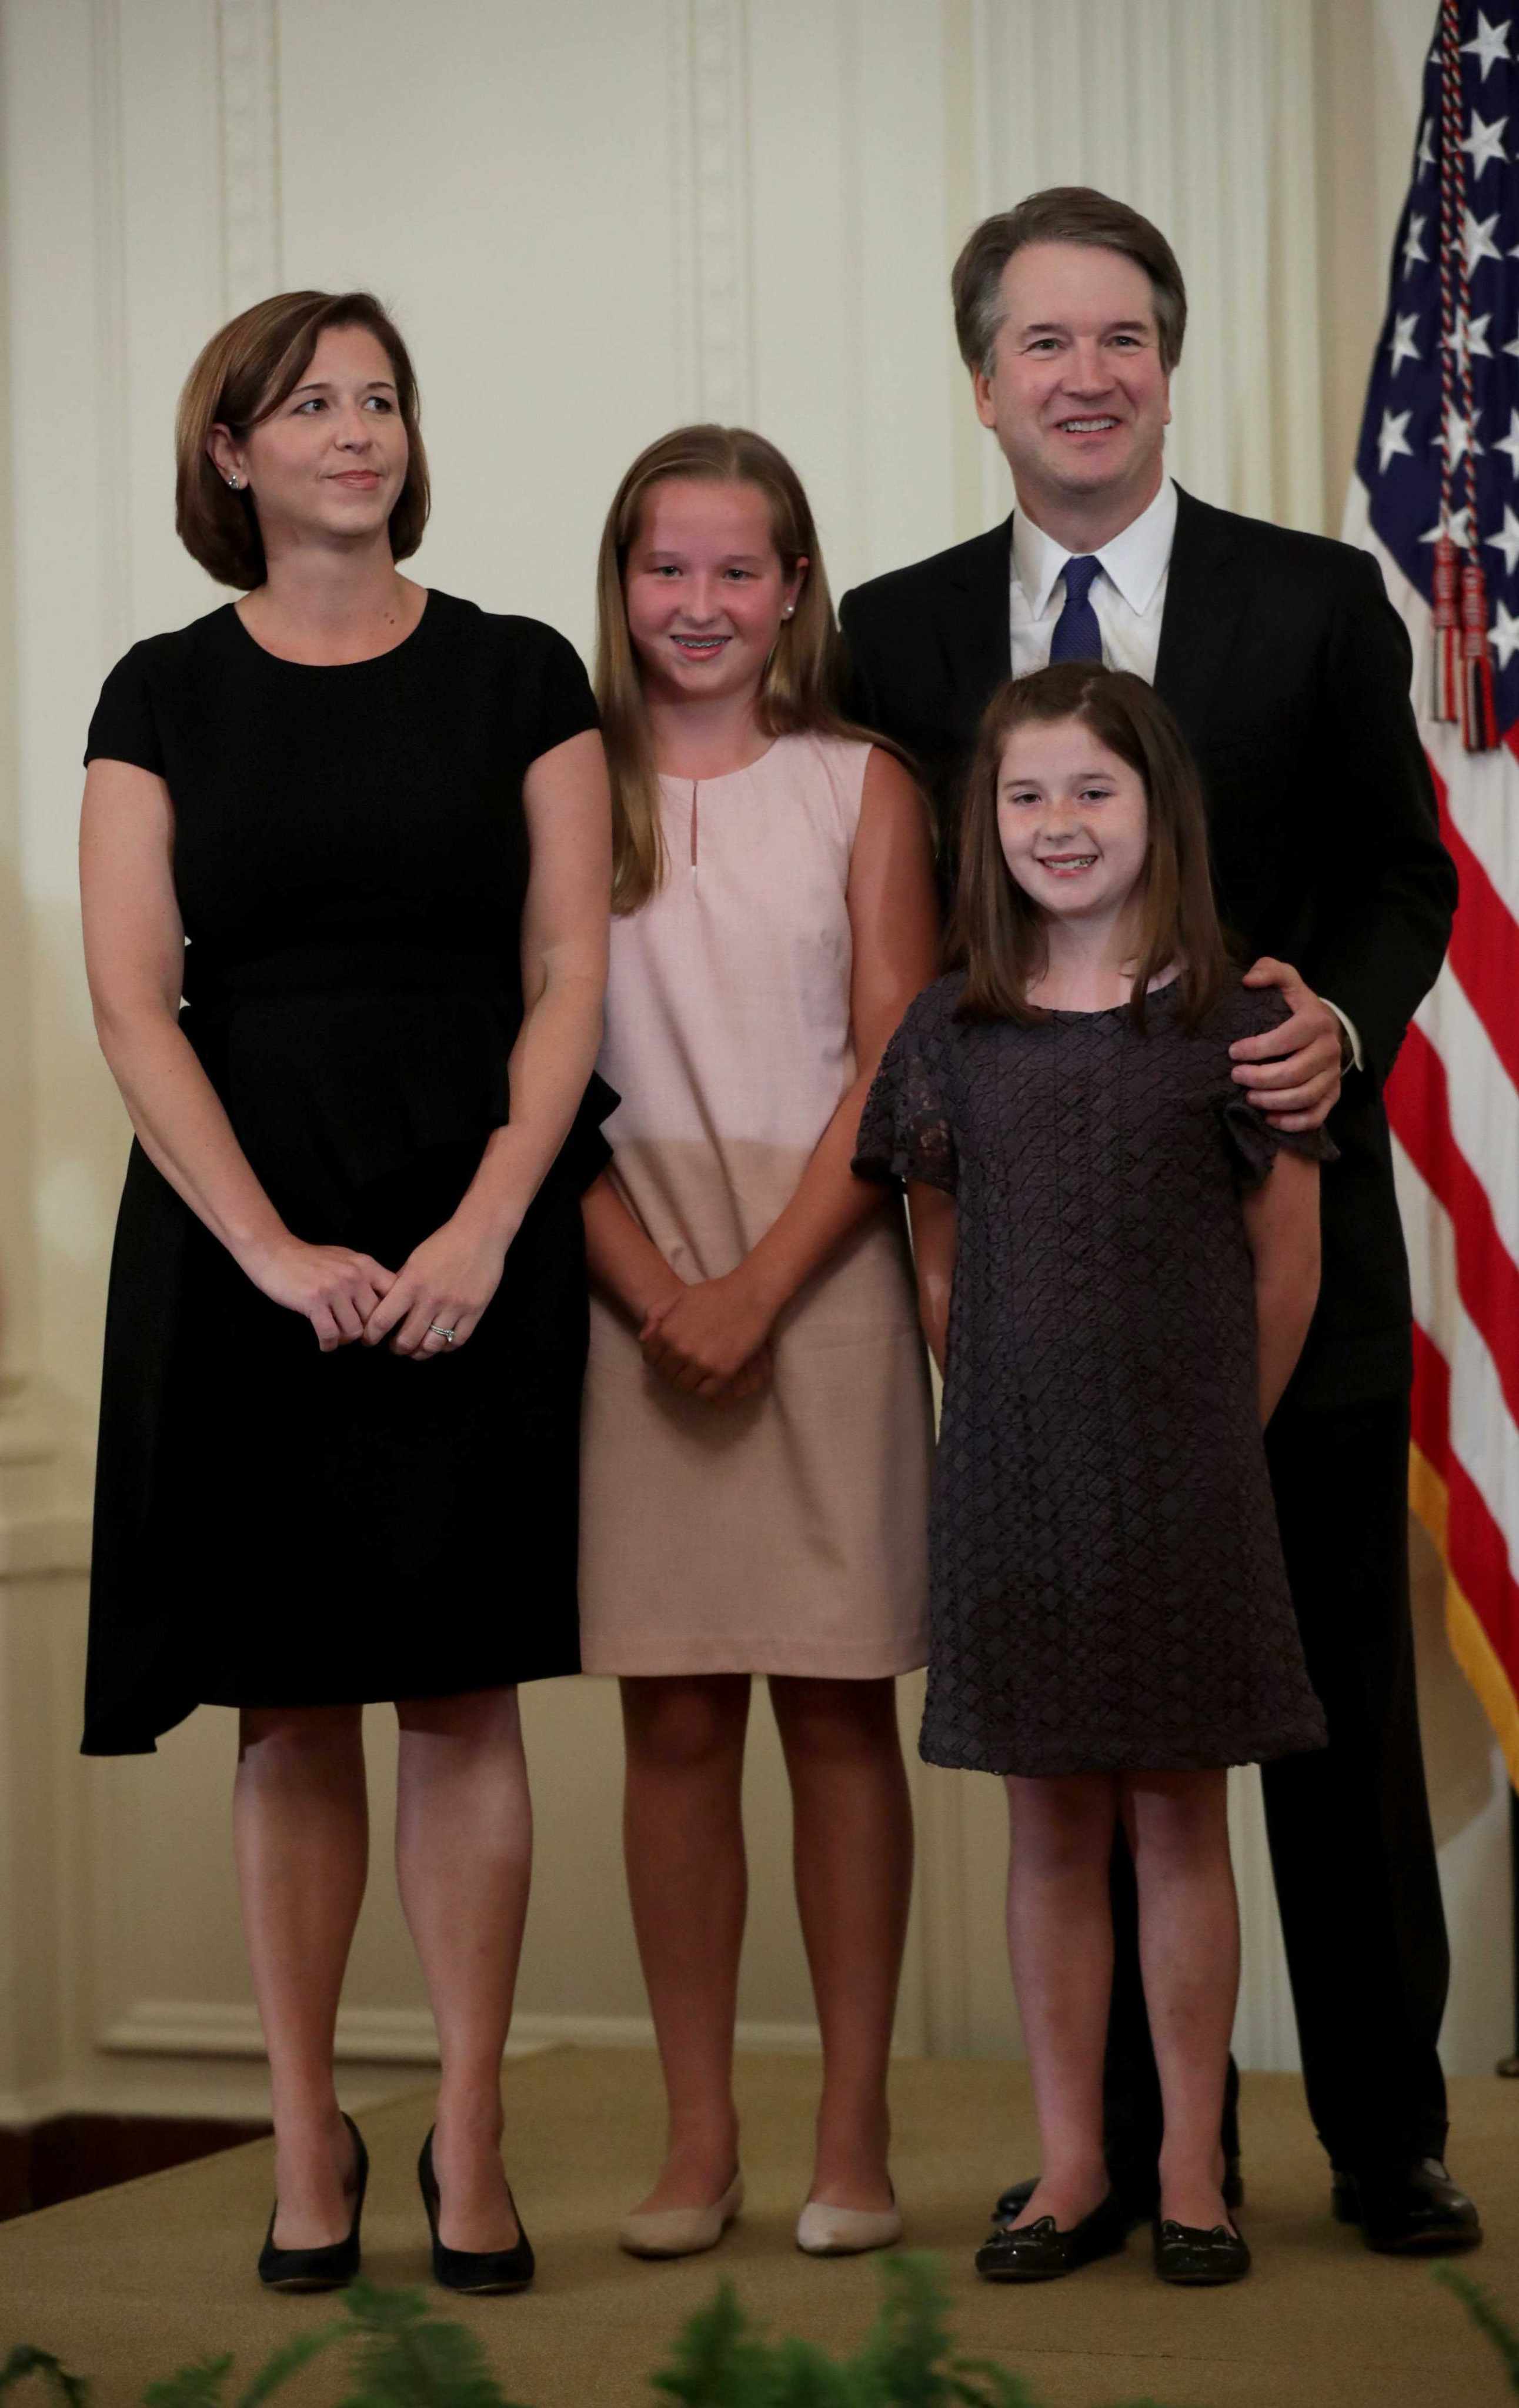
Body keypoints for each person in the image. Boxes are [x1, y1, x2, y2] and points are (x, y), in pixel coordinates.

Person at [839, 187, 1477, 2256]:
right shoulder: (905, 633)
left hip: (1279, 1231)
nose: (1086, 376)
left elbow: (1407, 879)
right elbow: (895, 937)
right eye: (1044, 343)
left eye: (1122, 337)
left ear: (1169, 364)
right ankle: (1107, 2146)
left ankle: (1386, 2132)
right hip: (1035, 1268)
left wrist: (1335, 1026)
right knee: (1086, 1732)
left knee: (1328, 1693)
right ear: (983, 381)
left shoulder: (1309, 600)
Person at [78, 290, 612, 2296]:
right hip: (245, 1228)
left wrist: (487, 1221)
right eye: (312, 403)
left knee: (464, 1692)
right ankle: (309, 2140)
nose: (356, 431)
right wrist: (270, 1249)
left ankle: (466, 2134)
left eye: (381, 399)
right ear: (233, 451)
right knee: (288, 1707)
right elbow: (136, 1004)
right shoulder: (160, 691)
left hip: (473, 1204)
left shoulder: (518, 673)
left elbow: (570, 977)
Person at [856, 662, 1331, 2283]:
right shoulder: (953, 1032)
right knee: (1050, 1830)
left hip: (1190, 1482)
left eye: (1094, 791)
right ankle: (1072, 2167)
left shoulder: (1242, 1020)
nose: (1060, 824)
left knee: (1181, 1822)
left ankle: (1193, 2167)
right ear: (986, 827)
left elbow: (1287, 1267)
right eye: (1026, 796)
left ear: (1158, 811)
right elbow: (939, 1261)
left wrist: (1210, 1433)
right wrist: (1017, 1421)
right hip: (1015, 1484)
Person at [577, 425, 939, 2259]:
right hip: (625, 1266)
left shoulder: (864, 782)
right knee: (673, 1718)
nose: (700, 604)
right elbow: (533, 1078)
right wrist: (656, 1291)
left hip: (828, 1256)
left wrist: (760, 1284)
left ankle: (853, 2134)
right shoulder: (565, 786)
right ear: (621, 584)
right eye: (668, 568)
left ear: (795, 587)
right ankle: (698, 2134)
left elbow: (895, 1052)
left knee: (838, 1704)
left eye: (739, 569)